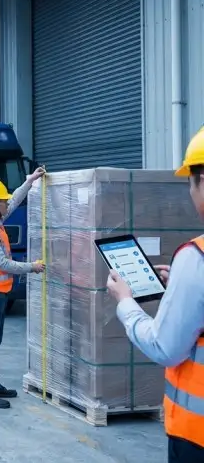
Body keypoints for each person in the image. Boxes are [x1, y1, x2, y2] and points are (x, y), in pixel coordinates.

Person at [107, 128, 204, 462]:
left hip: (197, 437)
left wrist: (125, 303)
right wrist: (183, 286)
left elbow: (165, 347)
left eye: (190, 183)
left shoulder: (197, 258)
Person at [0, 168, 47, 409]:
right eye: (2, 201)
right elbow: (3, 264)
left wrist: (29, 181)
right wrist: (32, 267)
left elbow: (14, 201)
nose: (7, 203)